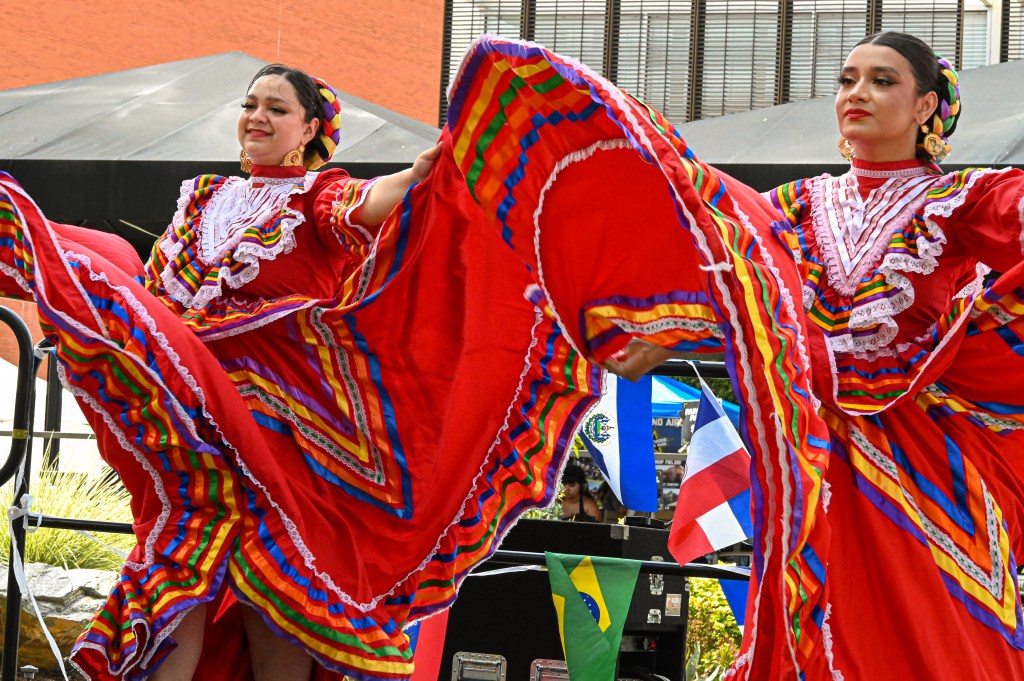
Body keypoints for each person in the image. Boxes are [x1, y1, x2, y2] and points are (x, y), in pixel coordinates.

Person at [439, 32, 1024, 680]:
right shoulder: (796, 206)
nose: (856, 93)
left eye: (882, 81)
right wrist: (647, 341)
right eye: (847, 80)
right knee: (815, 621)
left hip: (918, 462)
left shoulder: (961, 199)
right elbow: (721, 270)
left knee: (933, 629)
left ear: (925, 107)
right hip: (807, 455)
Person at [0, 62, 599, 681]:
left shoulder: (317, 195)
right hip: (185, 419)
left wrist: (426, 171)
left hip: (276, 426)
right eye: (250, 104)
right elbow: (155, 299)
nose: (257, 117)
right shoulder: (201, 197)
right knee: (177, 569)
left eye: (277, 109)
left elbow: (374, 202)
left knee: (274, 584)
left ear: (310, 128)